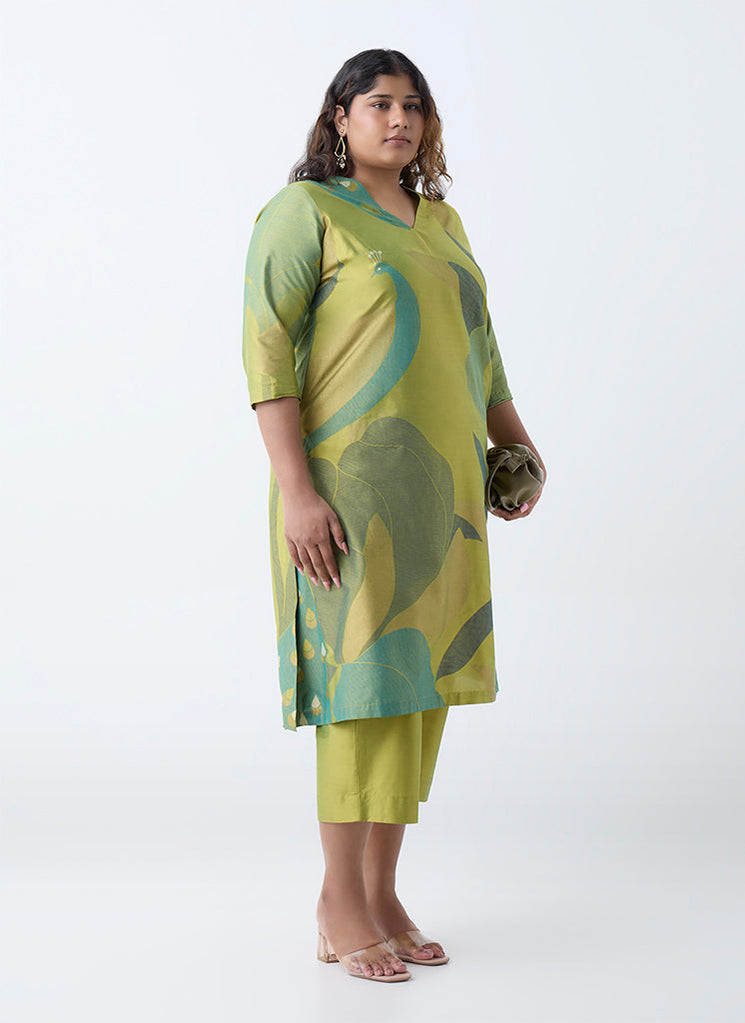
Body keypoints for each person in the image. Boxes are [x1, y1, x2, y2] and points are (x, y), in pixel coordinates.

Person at [241, 48, 547, 983]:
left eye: (413, 105)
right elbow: (266, 354)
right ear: (339, 117)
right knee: (361, 691)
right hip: (346, 491)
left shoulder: (442, 221)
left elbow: (481, 349)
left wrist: (516, 445)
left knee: (416, 690)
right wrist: (297, 492)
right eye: (378, 103)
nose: (399, 119)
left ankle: (381, 892)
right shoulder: (303, 212)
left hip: (441, 490)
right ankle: (338, 902)